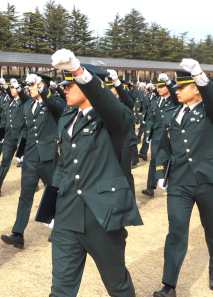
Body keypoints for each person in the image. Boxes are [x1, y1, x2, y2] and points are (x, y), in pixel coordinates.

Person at [49, 49, 143, 297]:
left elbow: (111, 107)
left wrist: (78, 71)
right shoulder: (67, 117)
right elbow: (63, 165)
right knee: (61, 288)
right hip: (68, 213)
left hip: (102, 215)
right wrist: (51, 207)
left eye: (71, 84)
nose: (65, 89)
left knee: (117, 285)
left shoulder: (115, 118)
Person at [152, 63, 213, 296]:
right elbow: (164, 147)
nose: (177, 91)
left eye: (183, 87)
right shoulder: (173, 114)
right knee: (176, 232)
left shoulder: (210, 112)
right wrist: (160, 173)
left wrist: (199, 75)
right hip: (180, 183)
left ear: (196, 89)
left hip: (208, 182)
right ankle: (169, 284)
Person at [0, 73, 64, 249]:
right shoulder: (28, 105)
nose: (29, 88)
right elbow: (27, 129)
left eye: (33, 85)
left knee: (55, 193)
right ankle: (18, 234)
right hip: (31, 157)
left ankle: (59, 229)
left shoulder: (54, 103)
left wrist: (41, 87)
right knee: (25, 195)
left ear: (43, 86)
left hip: (48, 156)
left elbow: (54, 104)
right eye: (31, 86)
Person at [141, 75, 179, 197]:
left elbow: (174, 93)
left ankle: (171, 184)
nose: (159, 88)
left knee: (171, 160)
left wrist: (169, 82)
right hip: (157, 135)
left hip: (170, 135)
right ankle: (150, 186)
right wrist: (148, 133)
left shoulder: (174, 100)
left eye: (162, 86)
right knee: (154, 159)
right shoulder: (155, 101)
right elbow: (150, 119)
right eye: (158, 86)